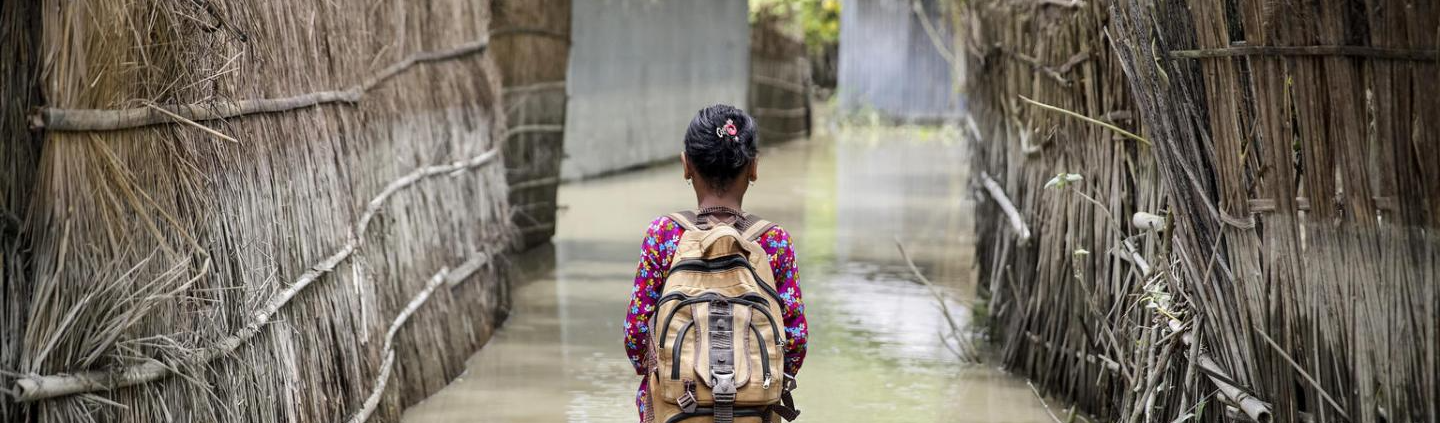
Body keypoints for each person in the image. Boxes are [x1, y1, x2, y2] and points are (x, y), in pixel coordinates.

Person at [622, 104, 808, 421]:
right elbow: (795, 341)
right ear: (753, 168)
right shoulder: (774, 241)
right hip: (754, 412)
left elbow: (636, 334)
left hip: (676, 409)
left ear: (686, 165)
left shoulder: (664, 235)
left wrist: (669, 373)